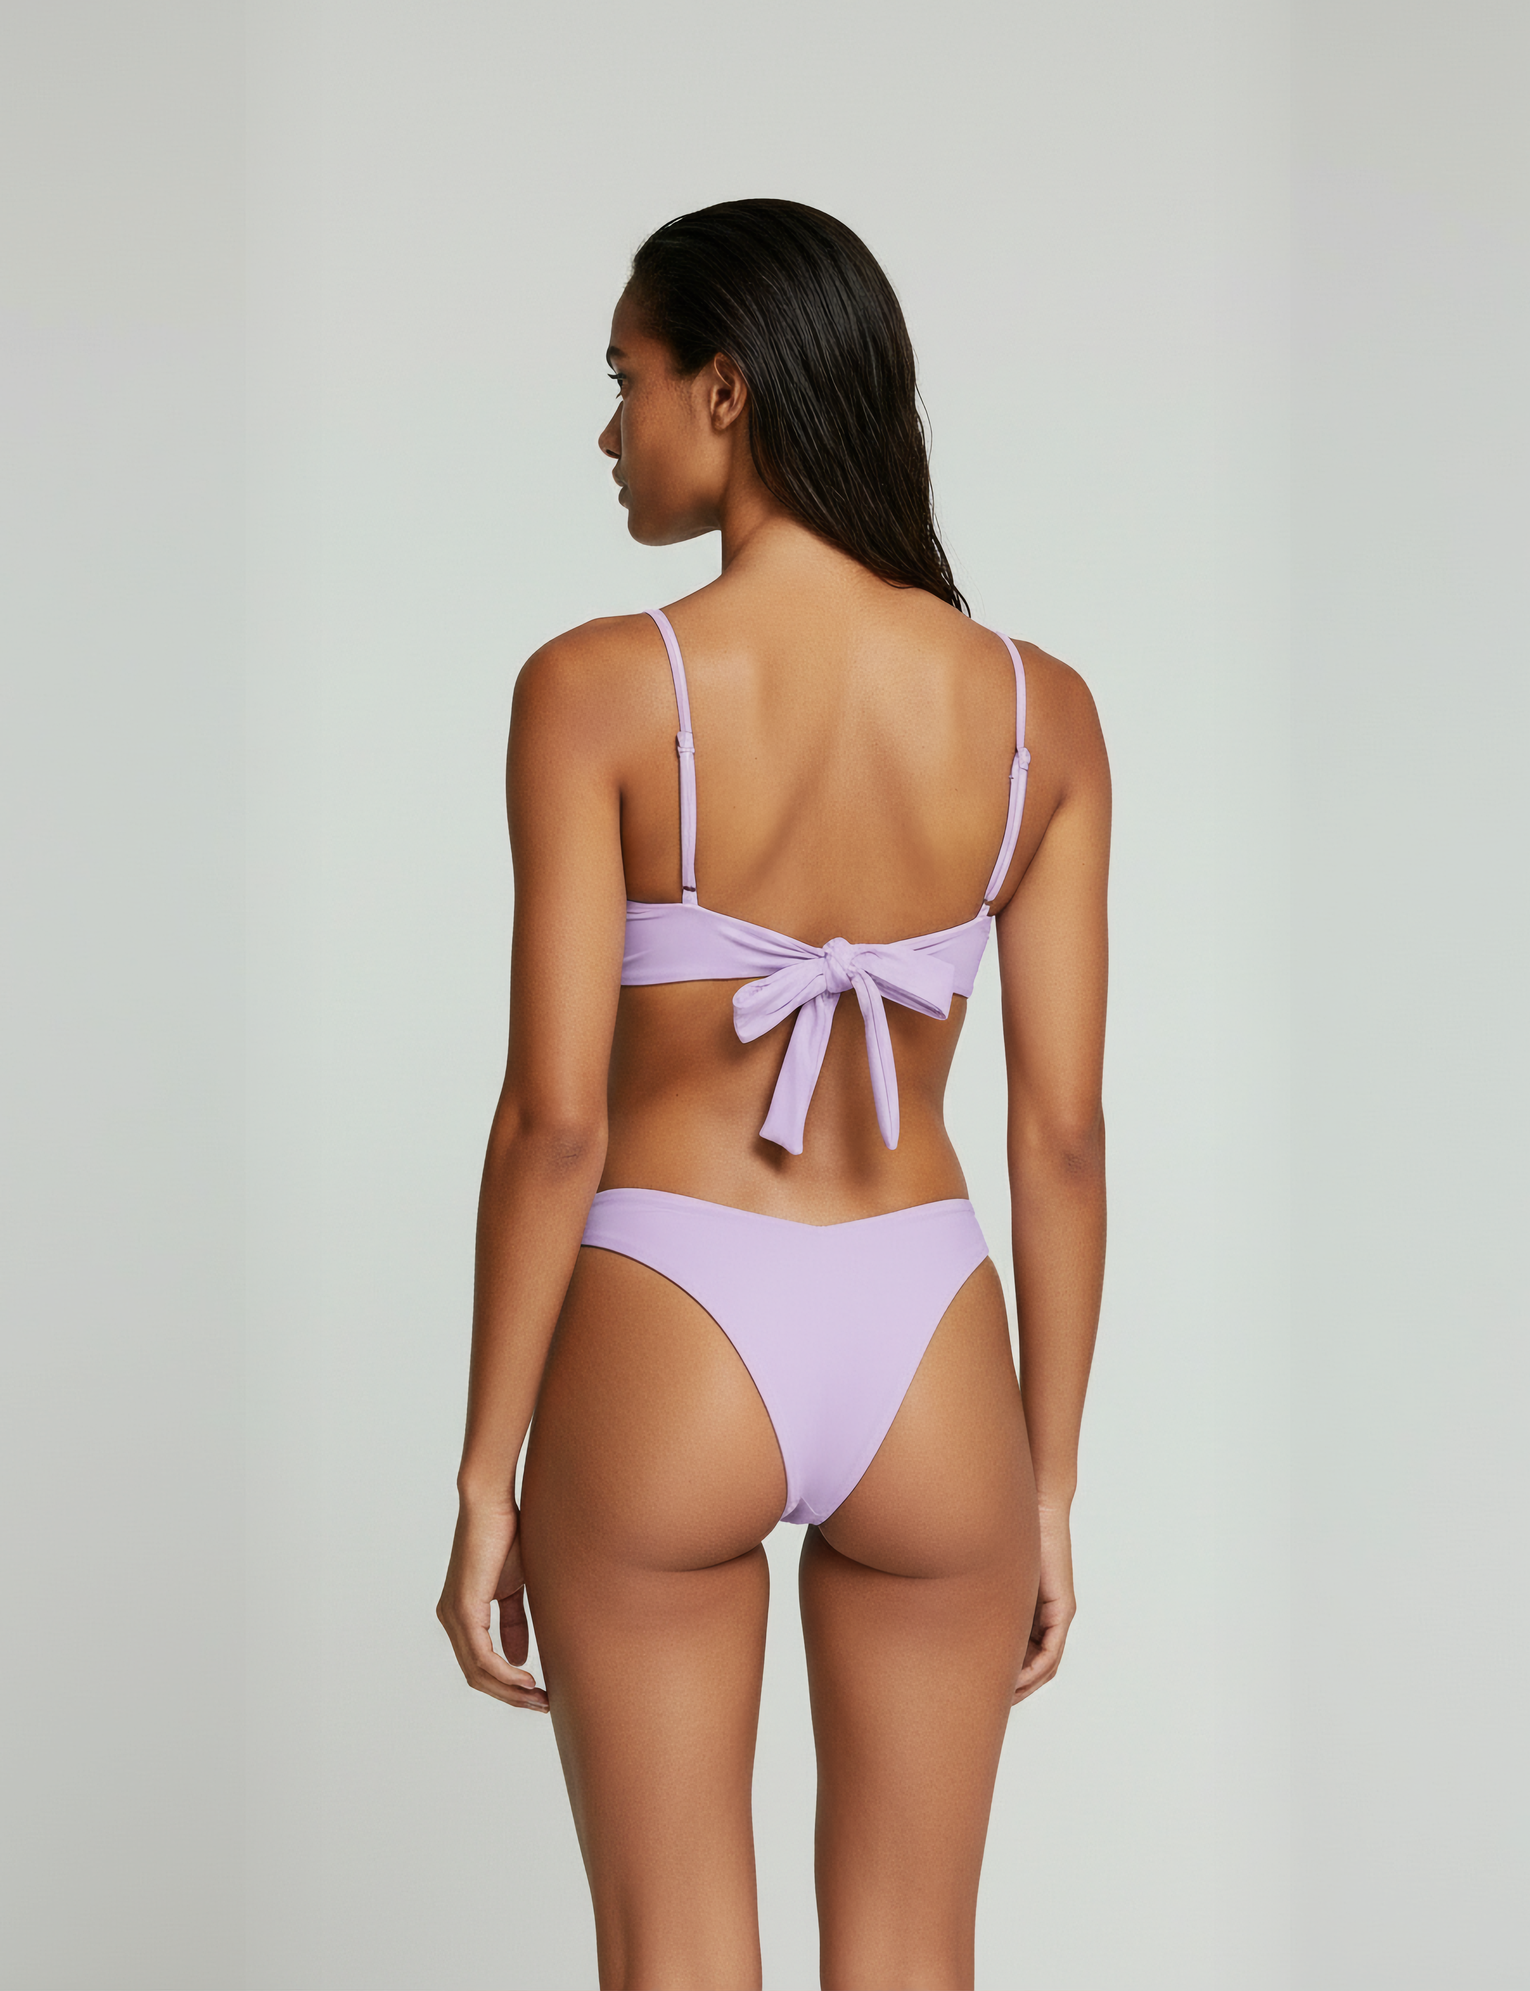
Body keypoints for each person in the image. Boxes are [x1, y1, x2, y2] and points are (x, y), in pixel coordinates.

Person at [438, 198, 1108, 1991]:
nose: (610, 431)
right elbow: (1060, 1139)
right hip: (933, 1344)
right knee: (915, 1957)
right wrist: (1047, 1485)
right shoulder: (1039, 714)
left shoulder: (598, 689)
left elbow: (555, 1124)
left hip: (673, 1316)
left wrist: (488, 1473)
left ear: (724, 391)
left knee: (672, 1955)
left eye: (626, 380)